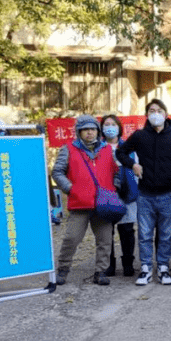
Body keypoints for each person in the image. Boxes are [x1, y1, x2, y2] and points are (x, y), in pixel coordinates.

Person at [116, 99, 171, 286]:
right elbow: (121, 152)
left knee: (166, 234)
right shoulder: (140, 136)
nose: (155, 113)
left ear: (166, 115)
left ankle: (164, 268)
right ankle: (146, 268)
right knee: (144, 234)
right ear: (147, 115)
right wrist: (132, 164)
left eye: (159, 110)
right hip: (145, 194)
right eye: (151, 110)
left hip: (169, 194)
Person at [51, 114, 121, 286]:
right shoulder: (68, 149)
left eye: (93, 129)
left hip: (103, 204)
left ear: (97, 131)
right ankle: (63, 269)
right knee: (71, 239)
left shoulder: (107, 150)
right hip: (79, 204)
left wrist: (114, 189)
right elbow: (57, 172)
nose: (90, 133)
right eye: (85, 130)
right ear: (79, 132)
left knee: (105, 240)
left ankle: (101, 272)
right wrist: (70, 189)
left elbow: (117, 172)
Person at [100, 114, 137, 277]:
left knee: (127, 230)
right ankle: (109, 264)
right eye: (106, 124)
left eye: (113, 124)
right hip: (105, 192)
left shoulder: (128, 147)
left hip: (126, 192)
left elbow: (136, 168)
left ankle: (128, 263)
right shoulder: (98, 148)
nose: (109, 127)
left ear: (119, 127)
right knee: (107, 230)